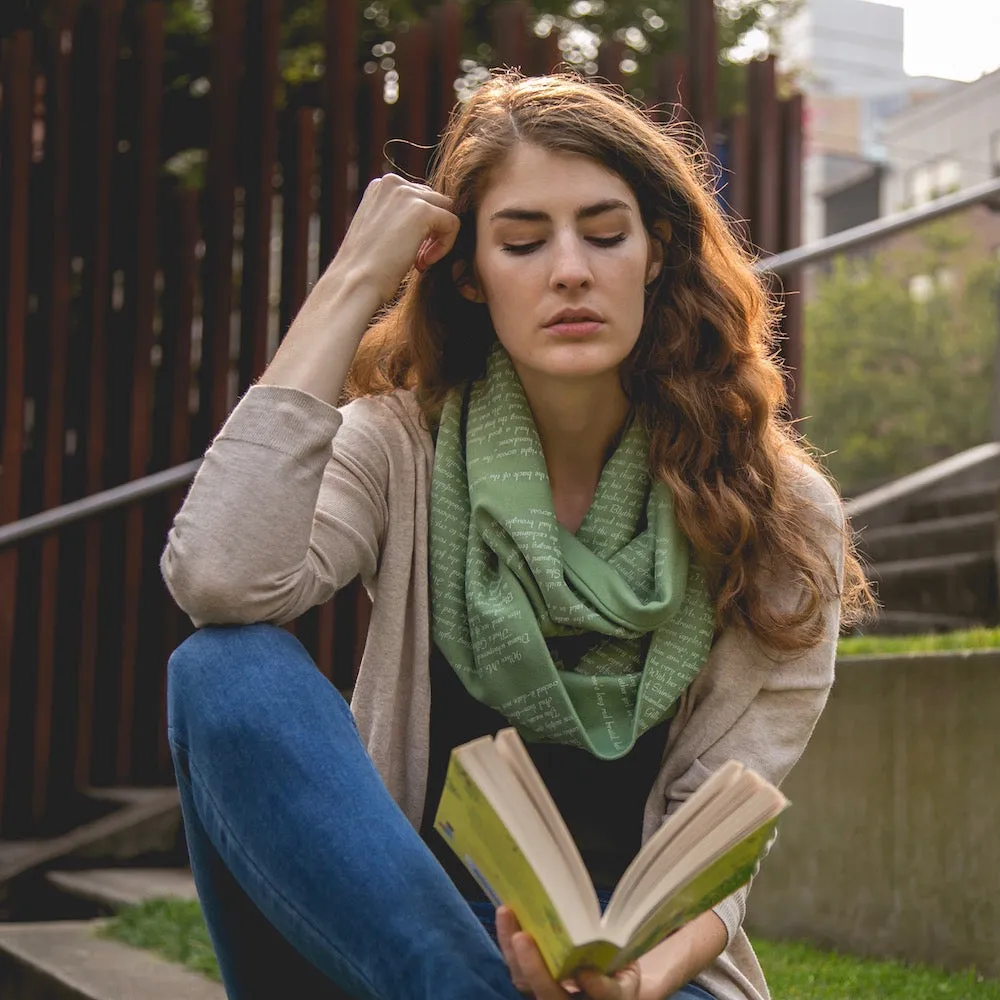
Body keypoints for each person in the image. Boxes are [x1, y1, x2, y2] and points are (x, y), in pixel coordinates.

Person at [161, 71, 872, 1000]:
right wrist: (352, 281)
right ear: (468, 273)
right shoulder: (399, 447)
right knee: (223, 670)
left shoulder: (776, 511)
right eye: (523, 241)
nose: (569, 269)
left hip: (636, 958)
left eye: (606, 234)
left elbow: (717, 840)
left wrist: (634, 976)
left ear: (656, 253)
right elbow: (218, 576)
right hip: (400, 935)